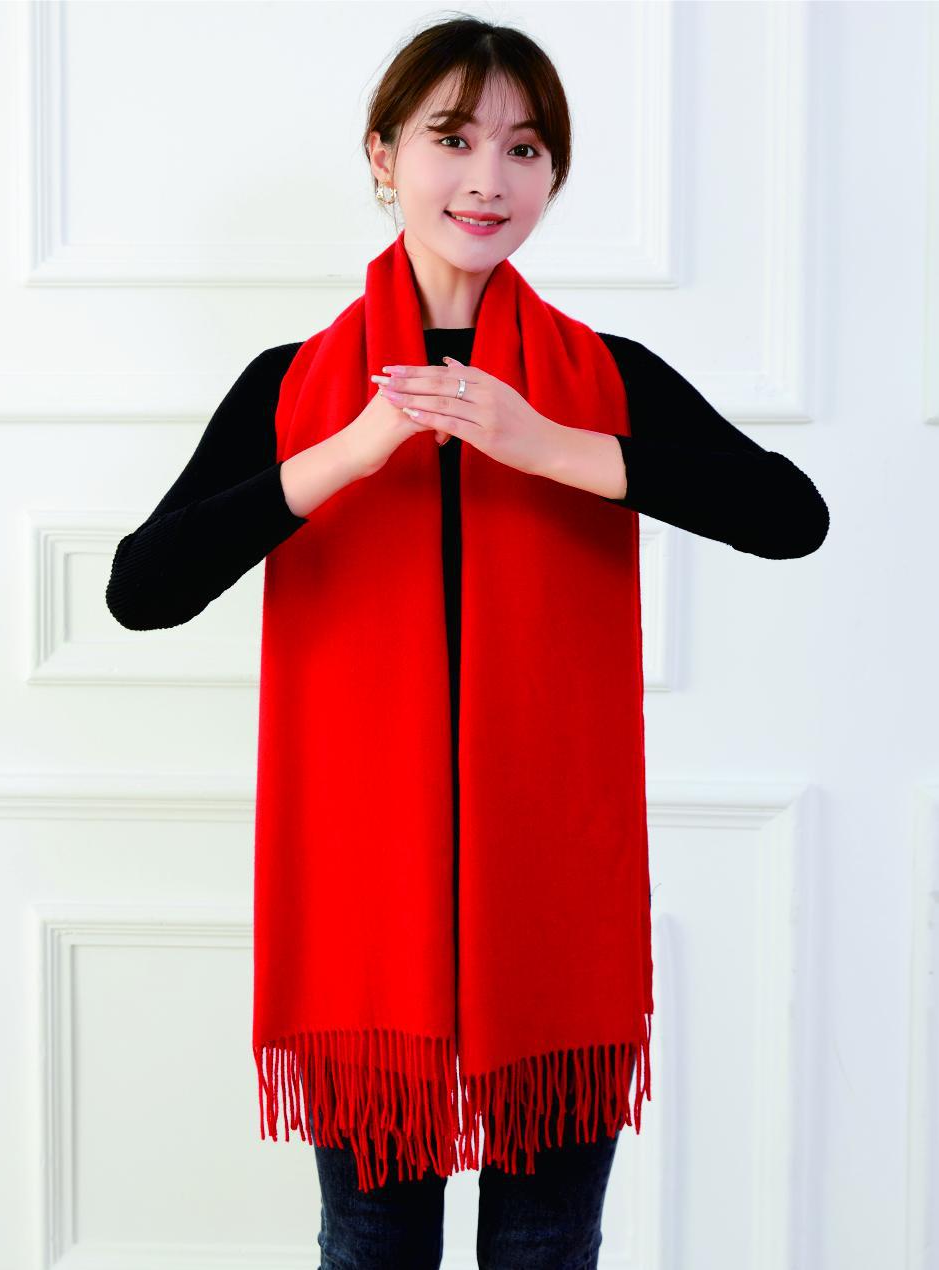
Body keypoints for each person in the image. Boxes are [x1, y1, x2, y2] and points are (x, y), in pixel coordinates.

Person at [107, 16, 829, 1270]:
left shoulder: (600, 377)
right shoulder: (292, 384)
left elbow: (790, 515)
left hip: (551, 907)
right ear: (383, 155)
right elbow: (142, 589)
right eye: (452, 138)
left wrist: (544, 444)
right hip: (364, 921)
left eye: (526, 147)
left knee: (547, 1241)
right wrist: (350, 453)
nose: (490, 177)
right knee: (371, 1240)